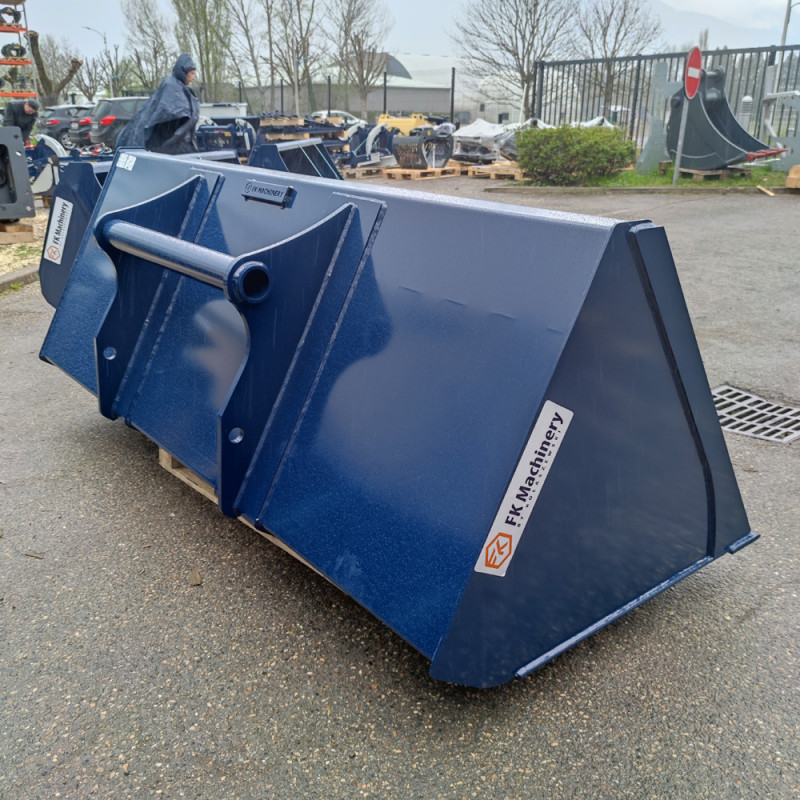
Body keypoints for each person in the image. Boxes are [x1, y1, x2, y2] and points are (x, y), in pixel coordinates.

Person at [116, 54, 200, 154]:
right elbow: (172, 113)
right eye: (192, 73)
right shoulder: (172, 86)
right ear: (184, 71)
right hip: (169, 146)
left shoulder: (176, 85)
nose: (193, 77)